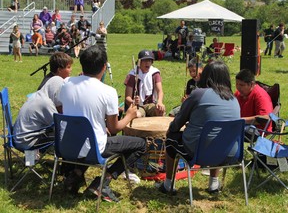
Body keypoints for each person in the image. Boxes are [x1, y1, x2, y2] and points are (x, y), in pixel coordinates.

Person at [58, 45, 146, 202]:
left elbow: (61, 109)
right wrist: (129, 115)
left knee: (91, 138)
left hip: (66, 146)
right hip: (93, 149)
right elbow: (114, 128)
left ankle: (75, 175)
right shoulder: (108, 92)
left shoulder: (66, 84)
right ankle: (103, 181)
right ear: (104, 67)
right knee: (141, 144)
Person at [157, 61, 241, 194]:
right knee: (219, 138)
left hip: (200, 152)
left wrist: (171, 130)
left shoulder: (198, 94)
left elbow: (178, 122)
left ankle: (168, 185)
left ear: (206, 75)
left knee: (171, 140)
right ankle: (213, 184)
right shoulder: (234, 99)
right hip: (229, 153)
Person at [13, 72, 68, 151]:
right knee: (64, 138)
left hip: (20, 137)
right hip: (28, 142)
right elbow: (58, 127)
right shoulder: (46, 103)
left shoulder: (37, 95)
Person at [124, 50, 165, 117]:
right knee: (137, 115)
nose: (148, 63)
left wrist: (159, 101)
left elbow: (160, 91)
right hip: (138, 106)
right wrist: (133, 102)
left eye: (149, 61)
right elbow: (127, 97)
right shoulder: (132, 75)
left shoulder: (155, 73)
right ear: (140, 62)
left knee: (160, 111)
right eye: (145, 61)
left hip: (151, 104)